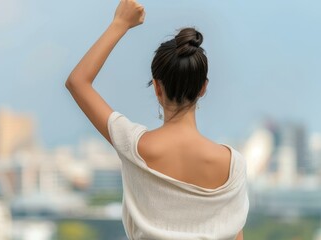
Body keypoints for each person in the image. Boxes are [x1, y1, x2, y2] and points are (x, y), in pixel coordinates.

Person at [65, 0, 249, 239]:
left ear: (157, 88)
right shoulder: (233, 165)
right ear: (203, 88)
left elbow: (77, 82)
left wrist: (120, 23)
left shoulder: (134, 146)